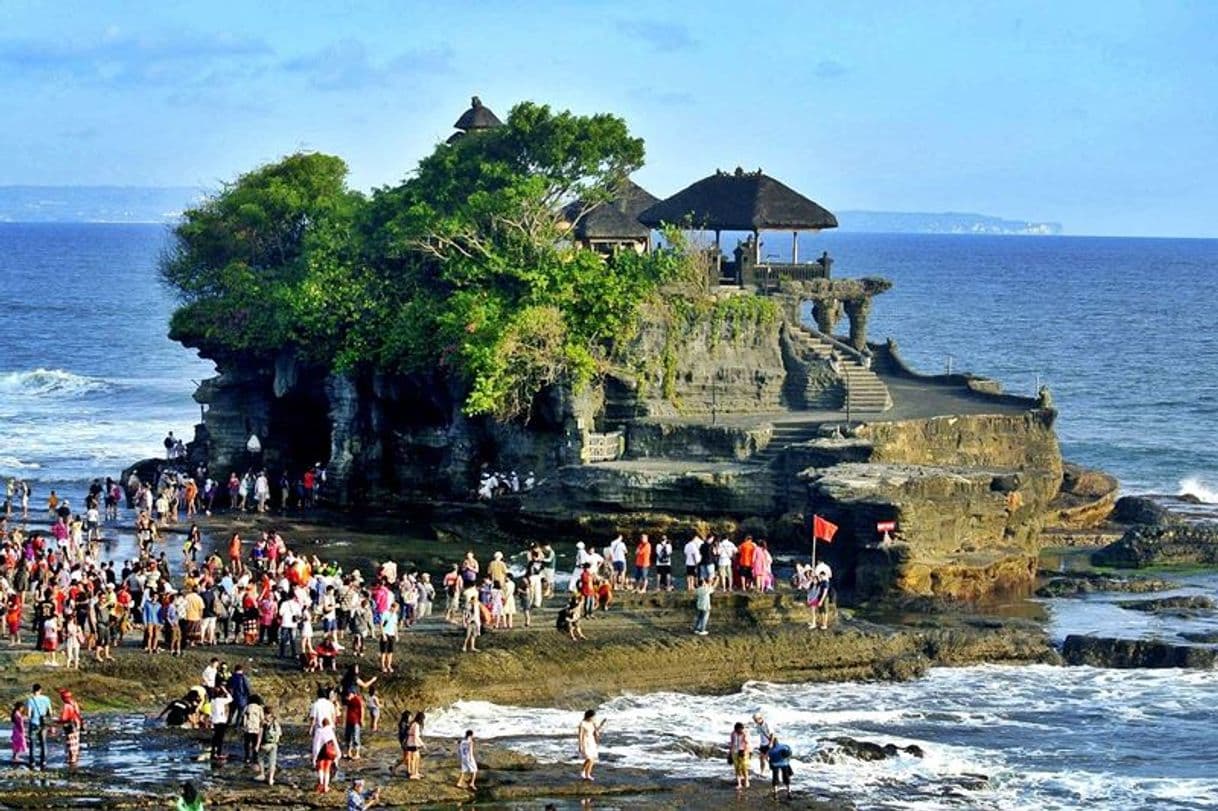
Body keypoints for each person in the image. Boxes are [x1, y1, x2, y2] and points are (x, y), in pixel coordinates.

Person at [25, 684, 51, 770]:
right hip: (43, 724)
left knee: (33, 743)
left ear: (33, 690)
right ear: (40, 690)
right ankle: (43, 761)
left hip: (34, 723)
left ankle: (32, 762)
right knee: (43, 742)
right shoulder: (46, 699)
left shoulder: (30, 700)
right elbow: (50, 712)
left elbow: (29, 714)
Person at [256, 705, 282, 786]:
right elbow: (280, 733)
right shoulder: (276, 722)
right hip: (274, 744)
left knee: (260, 758)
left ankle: (262, 774)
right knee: (272, 762)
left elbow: (260, 735)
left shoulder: (263, 722)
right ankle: (271, 779)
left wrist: (257, 745)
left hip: (265, 744)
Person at [313, 716, 340, 793]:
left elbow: (316, 744)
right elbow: (335, 742)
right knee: (327, 769)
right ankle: (326, 786)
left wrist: (315, 755)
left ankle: (321, 784)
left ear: (322, 723)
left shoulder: (318, 731)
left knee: (321, 769)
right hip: (329, 752)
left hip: (321, 752)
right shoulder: (330, 731)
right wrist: (338, 753)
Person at [58, 689, 83, 766]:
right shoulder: (74, 703)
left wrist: (57, 721)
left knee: (70, 743)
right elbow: (78, 713)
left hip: (69, 726)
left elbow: (64, 719)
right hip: (77, 724)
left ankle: (71, 760)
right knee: (76, 743)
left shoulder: (66, 706)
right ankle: (76, 759)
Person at [577, 709, 603, 781]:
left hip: (592, 742)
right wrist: (580, 746)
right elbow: (580, 735)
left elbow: (595, 733)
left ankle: (584, 771)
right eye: (593, 717)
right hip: (586, 742)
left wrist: (598, 732)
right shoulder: (582, 724)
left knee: (592, 759)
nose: (594, 718)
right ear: (589, 716)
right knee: (589, 758)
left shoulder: (593, 723)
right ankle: (587, 775)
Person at [767, 734, 794, 799]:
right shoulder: (784, 746)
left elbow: (770, 758)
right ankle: (789, 792)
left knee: (775, 778)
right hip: (784, 763)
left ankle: (775, 793)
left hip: (775, 764)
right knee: (786, 778)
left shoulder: (771, 750)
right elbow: (790, 752)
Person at [209, 684, 232, 760]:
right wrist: (226, 691)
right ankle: (219, 753)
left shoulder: (213, 701)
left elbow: (211, 711)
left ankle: (214, 751)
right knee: (220, 738)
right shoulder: (221, 700)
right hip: (221, 720)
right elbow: (230, 699)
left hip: (215, 720)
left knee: (216, 736)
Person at [344, 688, 365, 760]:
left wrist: (361, 719)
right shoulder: (348, 701)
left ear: (353, 693)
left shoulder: (358, 699)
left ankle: (357, 753)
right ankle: (348, 752)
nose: (348, 696)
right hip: (348, 720)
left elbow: (362, 709)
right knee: (348, 737)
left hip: (356, 721)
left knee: (356, 737)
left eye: (349, 695)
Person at [729, 721, 751, 789]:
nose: (740, 731)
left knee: (744, 768)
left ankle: (746, 781)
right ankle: (739, 783)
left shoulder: (745, 733)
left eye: (741, 729)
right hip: (735, 752)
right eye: (738, 730)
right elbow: (732, 743)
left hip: (743, 752)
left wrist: (745, 751)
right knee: (737, 768)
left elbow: (747, 743)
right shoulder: (733, 733)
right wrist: (730, 753)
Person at [753, 711, 774, 775]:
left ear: (760, 718)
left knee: (767, 758)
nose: (755, 721)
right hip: (763, 744)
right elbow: (760, 734)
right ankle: (762, 772)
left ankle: (773, 771)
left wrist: (770, 743)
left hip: (769, 743)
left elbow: (772, 734)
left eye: (756, 720)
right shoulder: (758, 725)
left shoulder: (767, 724)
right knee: (761, 758)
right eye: (754, 720)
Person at [406, 711, 426, 779]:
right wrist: (422, 744)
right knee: (414, 758)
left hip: (410, 742)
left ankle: (416, 772)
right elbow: (416, 736)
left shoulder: (413, 723)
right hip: (413, 743)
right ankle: (413, 774)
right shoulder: (416, 725)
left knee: (417, 757)